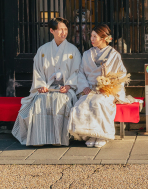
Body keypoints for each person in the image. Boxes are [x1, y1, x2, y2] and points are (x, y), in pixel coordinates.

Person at [12, 17, 82, 146]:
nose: (64, 33)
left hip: (65, 89)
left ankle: (58, 139)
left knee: (61, 101)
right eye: (60, 29)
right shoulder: (43, 50)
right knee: (40, 101)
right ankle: (40, 138)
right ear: (51, 30)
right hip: (46, 87)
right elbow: (38, 70)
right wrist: (41, 85)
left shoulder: (73, 50)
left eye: (65, 29)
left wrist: (68, 85)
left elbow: (76, 71)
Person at [68, 23, 138, 147]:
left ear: (103, 38)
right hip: (89, 89)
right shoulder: (86, 54)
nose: (92, 39)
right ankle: (89, 134)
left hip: (107, 91)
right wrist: (84, 87)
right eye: (91, 36)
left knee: (98, 102)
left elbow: (121, 75)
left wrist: (109, 87)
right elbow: (80, 73)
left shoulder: (114, 55)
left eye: (95, 36)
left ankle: (102, 135)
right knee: (82, 103)